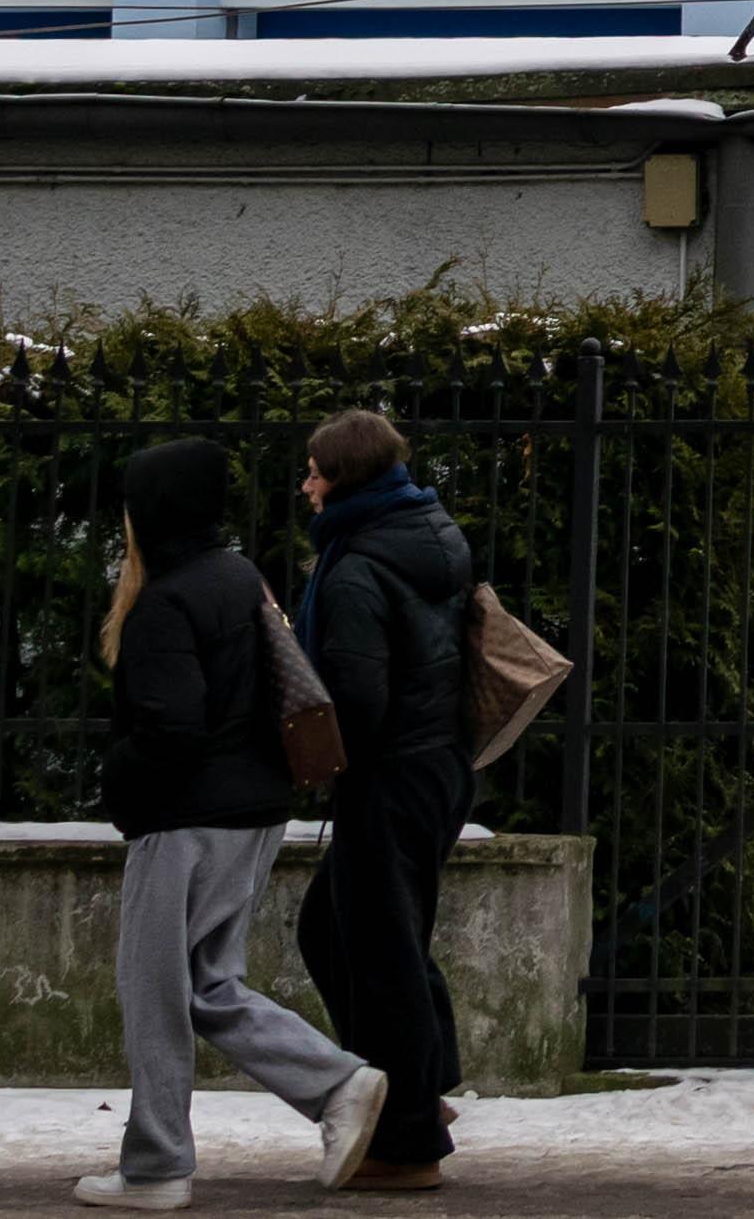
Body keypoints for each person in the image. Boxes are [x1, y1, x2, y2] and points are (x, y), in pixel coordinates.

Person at [76, 438, 388, 1211]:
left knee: (154, 991)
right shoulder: (237, 577)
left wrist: (116, 779)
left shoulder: (165, 602)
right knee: (208, 984)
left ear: (151, 512)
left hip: (185, 820)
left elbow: (172, 731)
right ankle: (338, 1084)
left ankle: (155, 1169)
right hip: (253, 813)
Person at [294, 411, 478, 1192]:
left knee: (379, 953)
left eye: (313, 471)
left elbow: (357, 698)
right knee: (338, 930)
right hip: (437, 764)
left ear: (343, 476)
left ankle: (405, 1146)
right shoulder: (430, 532)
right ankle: (426, 1091)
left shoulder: (356, 565)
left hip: (388, 773)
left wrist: (305, 740)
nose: (305, 484)